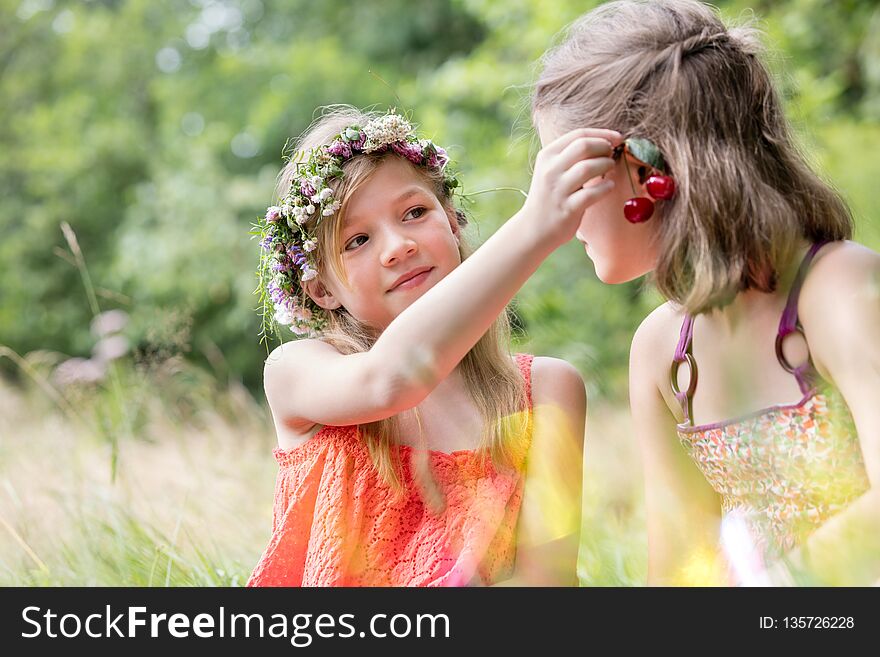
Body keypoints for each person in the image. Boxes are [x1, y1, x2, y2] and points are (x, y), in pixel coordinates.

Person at [532, 0, 879, 585]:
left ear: (645, 171)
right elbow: (677, 574)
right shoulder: (663, 350)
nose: (557, 216)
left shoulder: (838, 288)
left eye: (566, 177)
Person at [247, 107, 621, 585]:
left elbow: (548, 586)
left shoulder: (546, 390)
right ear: (321, 290)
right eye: (357, 240)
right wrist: (534, 228)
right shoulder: (298, 371)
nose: (398, 245)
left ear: (452, 222)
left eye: (415, 213)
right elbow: (388, 381)